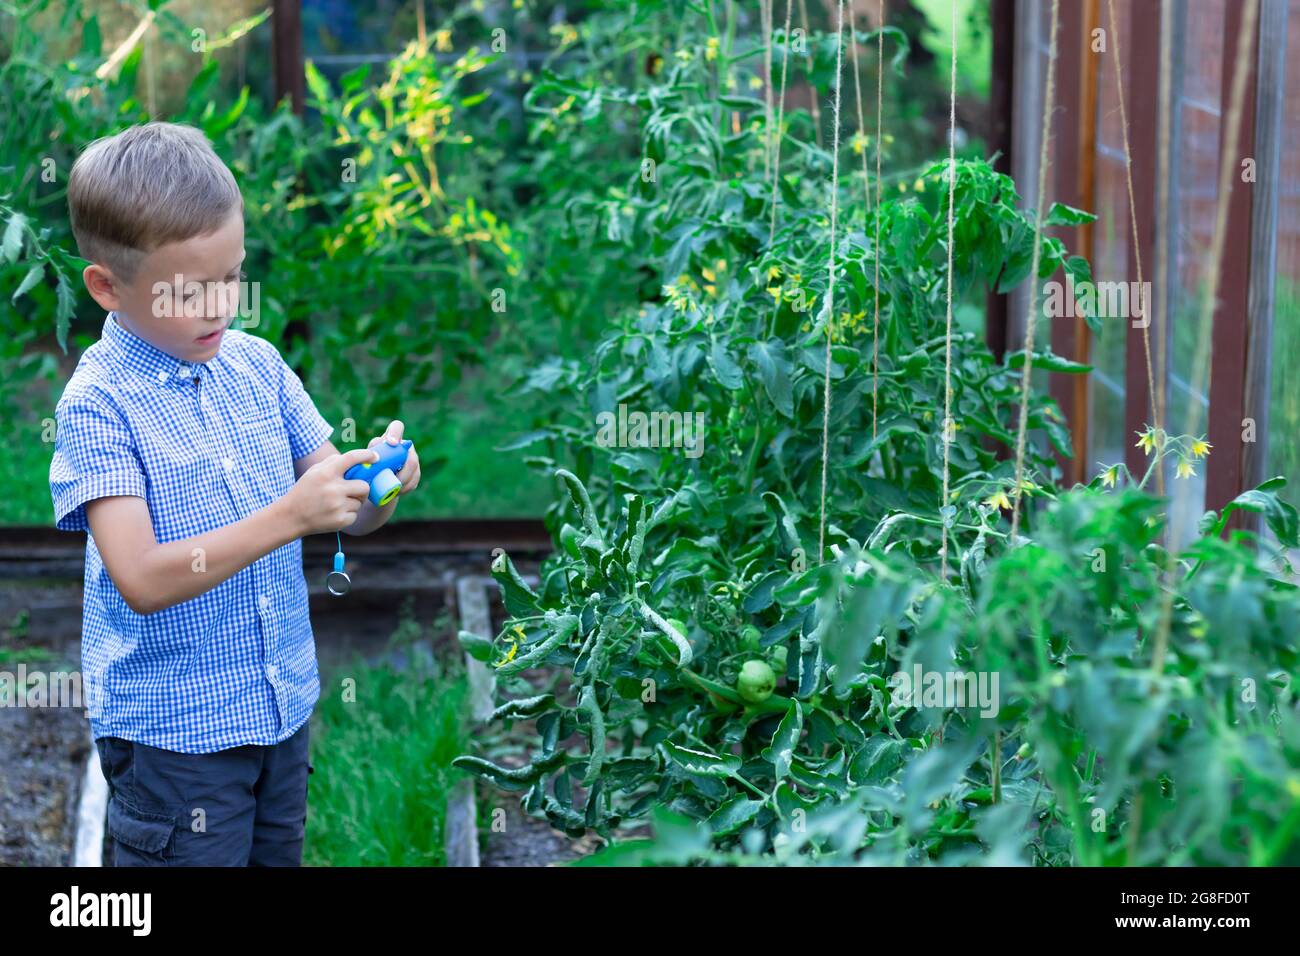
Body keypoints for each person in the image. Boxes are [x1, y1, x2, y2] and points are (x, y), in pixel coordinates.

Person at [48, 122, 422, 866]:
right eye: (191, 290)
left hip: (279, 710)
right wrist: (290, 515)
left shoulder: (256, 366)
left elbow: (344, 504)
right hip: (174, 739)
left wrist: (381, 481)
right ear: (106, 287)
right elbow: (145, 578)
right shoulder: (98, 405)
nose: (220, 305)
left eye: (232, 276)